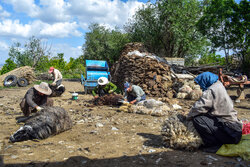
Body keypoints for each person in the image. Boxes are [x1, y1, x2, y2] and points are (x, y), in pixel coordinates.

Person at [187, 72, 242, 153]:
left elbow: (199, 108)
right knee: (205, 117)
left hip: (230, 133)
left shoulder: (211, 90)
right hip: (236, 130)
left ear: (205, 81)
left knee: (198, 119)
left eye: (201, 83)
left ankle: (214, 145)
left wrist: (188, 116)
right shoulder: (219, 85)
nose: (201, 86)